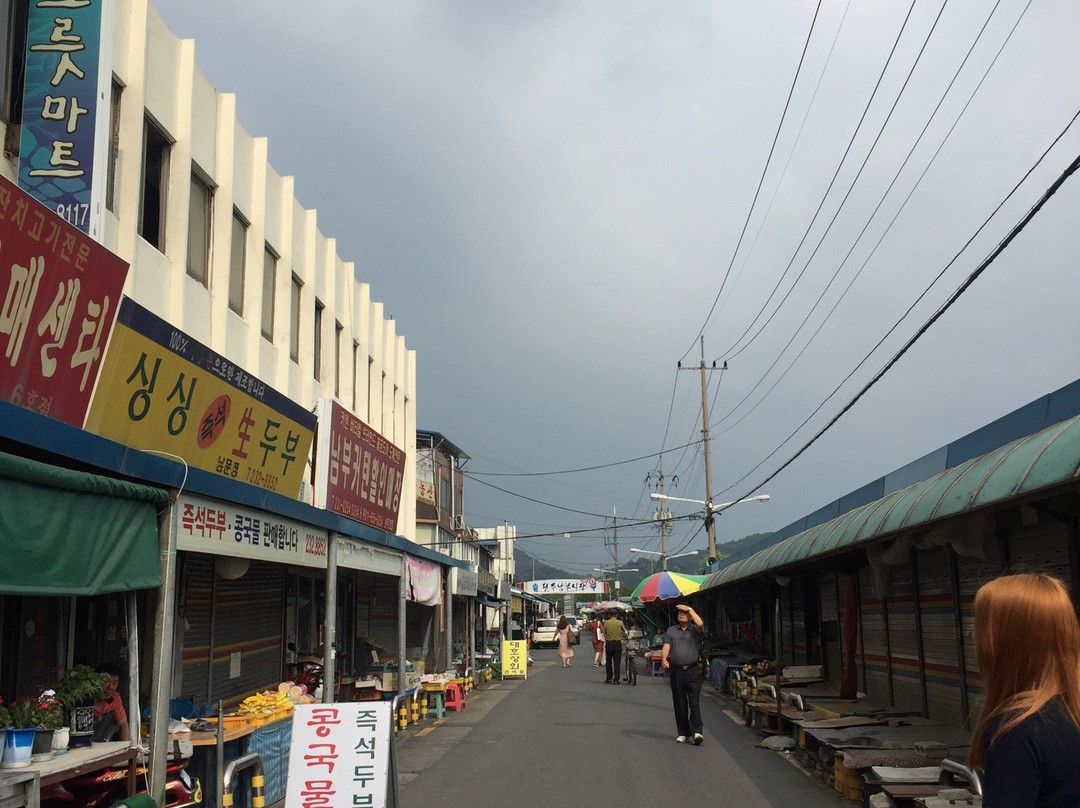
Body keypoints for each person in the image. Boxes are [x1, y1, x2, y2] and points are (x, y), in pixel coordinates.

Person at [968, 573, 1080, 808]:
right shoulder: (1070, 712)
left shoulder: (1015, 730)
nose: (974, 637)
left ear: (1006, 643)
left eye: (980, 628)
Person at [661, 603, 705, 745]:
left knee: (694, 702)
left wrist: (690, 609)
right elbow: (666, 646)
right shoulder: (671, 631)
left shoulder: (694, 630)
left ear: (690, 616)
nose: (681, 614)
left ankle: (697, 731)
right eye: (679, 612)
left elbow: (700, 623)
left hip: (692, 671)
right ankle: (683, 732)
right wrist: (664, 659)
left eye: (684, 613)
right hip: (677, 671)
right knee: (679, 702)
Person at [93, 662, 130, 742]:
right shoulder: (86, 698)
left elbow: (123, 724)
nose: (110, 687)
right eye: (106, 681)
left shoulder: (115, 698)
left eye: (114, 683)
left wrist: (126, 748)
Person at [603, 611, 626, 684]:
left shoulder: (606, 623)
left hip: (609, 644)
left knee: (608, 662)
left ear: (609, 615)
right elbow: (625, 631)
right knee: (617, 663)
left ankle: (609, 678)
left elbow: (603, 633)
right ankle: (616, 679)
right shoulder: (620, 622)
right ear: (617, 615)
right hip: (617, 644)